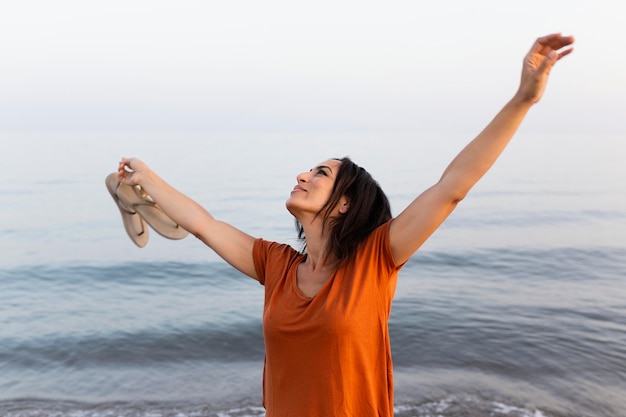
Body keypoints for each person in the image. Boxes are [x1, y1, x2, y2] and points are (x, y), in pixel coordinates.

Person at [116, 33, 575, 417]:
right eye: (309, 169)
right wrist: (146, 177)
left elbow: (452, 186)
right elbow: (202, 223)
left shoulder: (376, 260)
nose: (302, 175)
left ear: (342, 205)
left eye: (320, 174)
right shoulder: (274, 266)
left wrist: (524, 99)